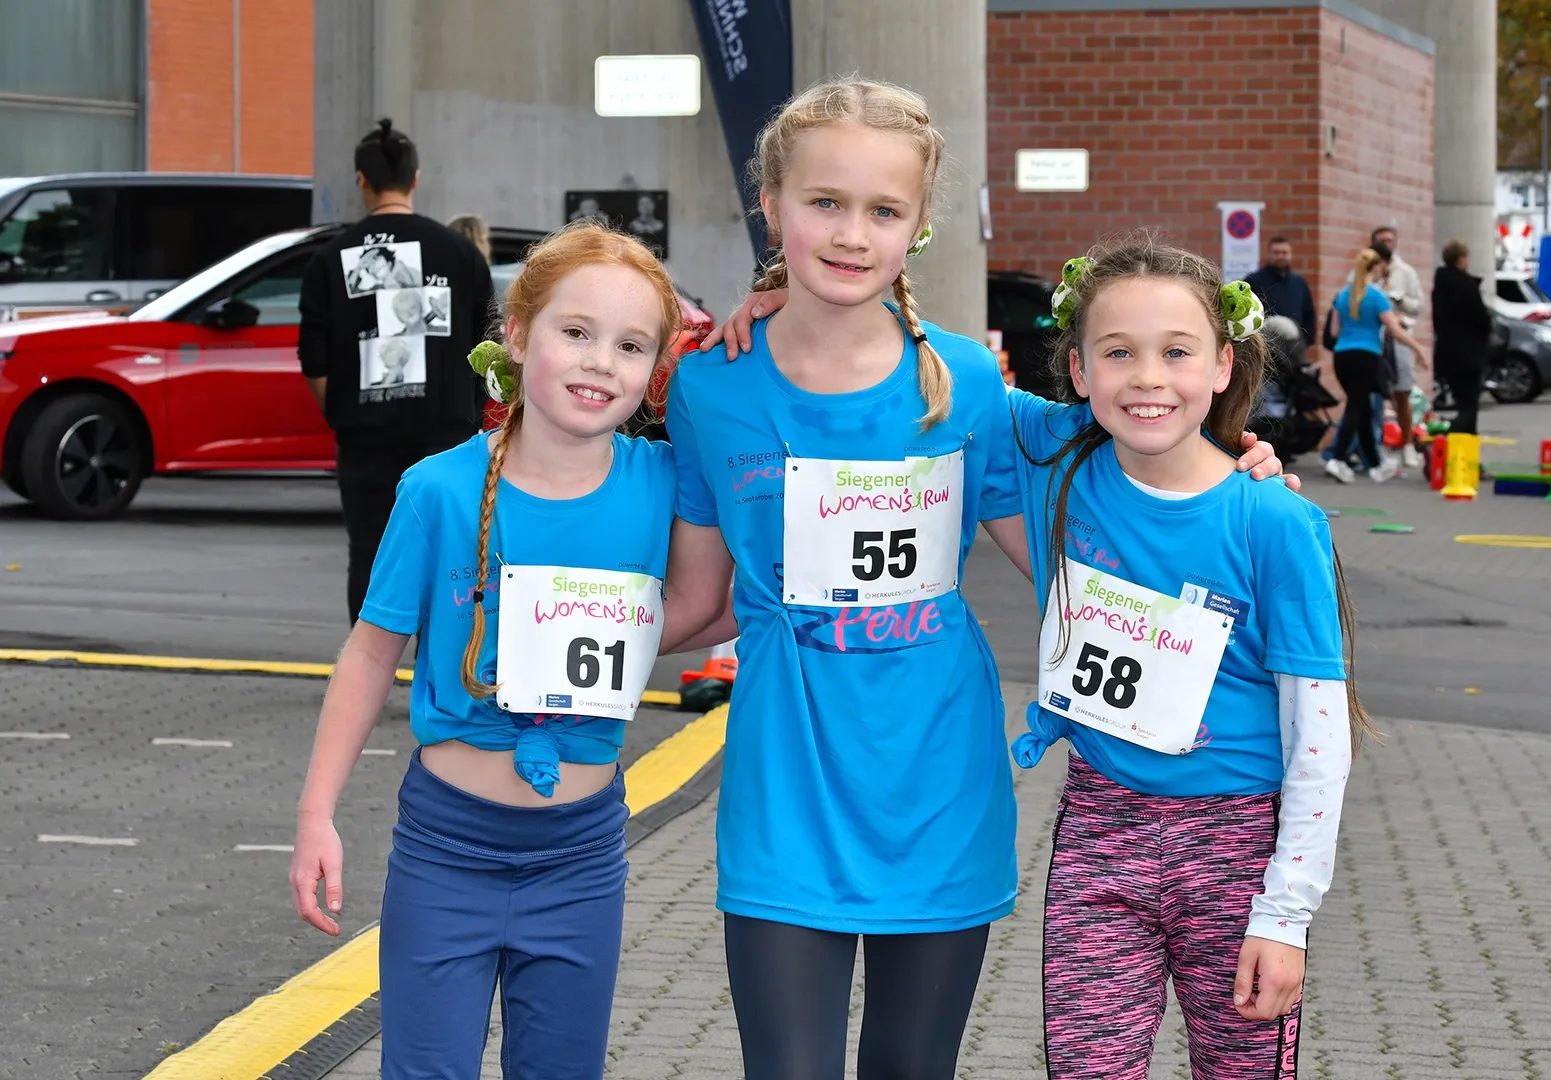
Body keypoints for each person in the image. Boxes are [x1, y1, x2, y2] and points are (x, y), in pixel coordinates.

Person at [663, 76, 1291, 1080]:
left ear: (917, 225)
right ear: (772, 205)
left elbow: (1120, 487)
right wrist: (515, 638)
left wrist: (1241, 484)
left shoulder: (967, 386)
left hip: (939, 790)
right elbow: (695, 602)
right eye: (824, 202)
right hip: (785, 790)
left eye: (884, 210)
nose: (851, 233)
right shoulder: (709, 384)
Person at [288, 222, 732, 1080]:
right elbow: (371, 655)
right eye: (577, 332)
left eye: (631, 345)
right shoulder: (437, 490)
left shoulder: (665, 482)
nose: (601, 362)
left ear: (655, 369)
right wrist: (316, 815)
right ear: (518, 336)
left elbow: (703, 606)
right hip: (445, 848)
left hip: (582, 854)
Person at [1007, 237, 1375, 1079]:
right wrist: (783, 298)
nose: (1147, 378)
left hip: (1237, 846)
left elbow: (1320, 737)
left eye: (1176, 352)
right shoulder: (1054, 456)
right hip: (1099, 829)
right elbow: (909, 368)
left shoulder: (1274, 520)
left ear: (1221, 365)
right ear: (1078, 369)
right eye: (1118, 353)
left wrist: (1285, 917)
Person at [298, 118, 495, 625]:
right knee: (449, 558)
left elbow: (314, 360)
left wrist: (344, 414)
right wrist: (471, 413)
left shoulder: (329, 259)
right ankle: (445, 666)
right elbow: (488, 345)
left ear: (361, 180)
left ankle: (367, 667)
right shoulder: (460, 253)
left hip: (365, 436)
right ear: (416, 178)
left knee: (369, 554)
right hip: (448, 434)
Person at [1322, 249, 1428, 484]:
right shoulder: (1377, 297)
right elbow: (1395, 331)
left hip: (1342, 357)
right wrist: (1418, 349)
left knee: (1363, 409)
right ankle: (1337, 459)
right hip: (1366, 356)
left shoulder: (1343, 296)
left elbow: (1334, 332)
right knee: (1355, 407)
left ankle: (1375, 465)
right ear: (1377, 268)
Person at [1370, 225, 1426, 469]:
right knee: (1375, 393)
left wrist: (1399, 301)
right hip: (1375, 338)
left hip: (1400, 336)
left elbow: (1418, 305)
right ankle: (1376, 446)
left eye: (1389, 240)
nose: (1386, 243)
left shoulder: (1406, 272)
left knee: (1402, 391)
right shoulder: (1364, 269)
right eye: (1381, 240)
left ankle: (1407, 444)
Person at [1431, 239, 1493, 436]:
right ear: (1461, 259)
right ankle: (1449, 434)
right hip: (1469, 353)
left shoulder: (1439, 286)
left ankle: (1465, 447)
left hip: (1447, 352)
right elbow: (1480, 318)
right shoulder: (1467, 286)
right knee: (1470, 406)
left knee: (1462, 401)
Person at [1244, 235, 1316, 347]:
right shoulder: (1253, 281)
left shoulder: (1299, 283)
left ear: (1291, 255)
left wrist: (1306, 340)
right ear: (1269, 254)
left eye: (1284, 253)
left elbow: (1308, 313)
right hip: (1265, 345)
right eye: (1276, 253)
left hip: (1294, 345)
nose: (1281, 256)